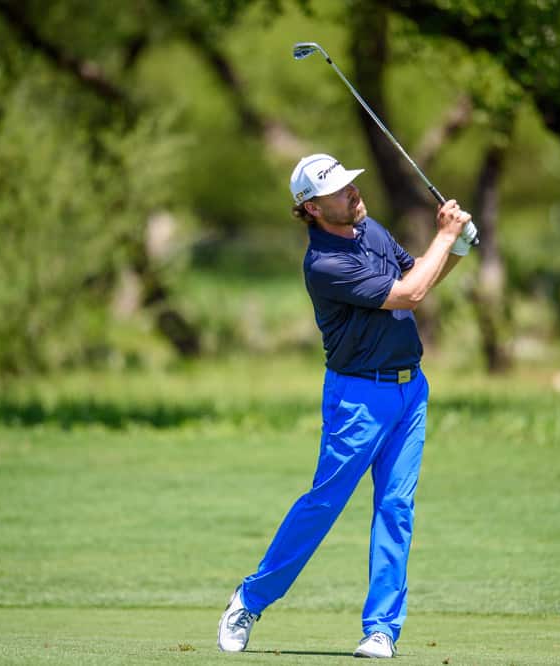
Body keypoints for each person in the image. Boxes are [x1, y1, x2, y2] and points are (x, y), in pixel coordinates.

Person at [217, 153, 475, 658]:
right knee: (324, 504)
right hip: (358, 397)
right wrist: (444, 237)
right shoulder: (325, 264)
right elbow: (410, 295)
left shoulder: (369, 230)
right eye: (339, 192)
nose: (354, 194)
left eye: (352, 185)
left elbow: (418, 277)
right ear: (312, 208)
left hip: (410, 390)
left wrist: (458, 248)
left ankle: (382, 629)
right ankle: (249, 599)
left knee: (396, 509)